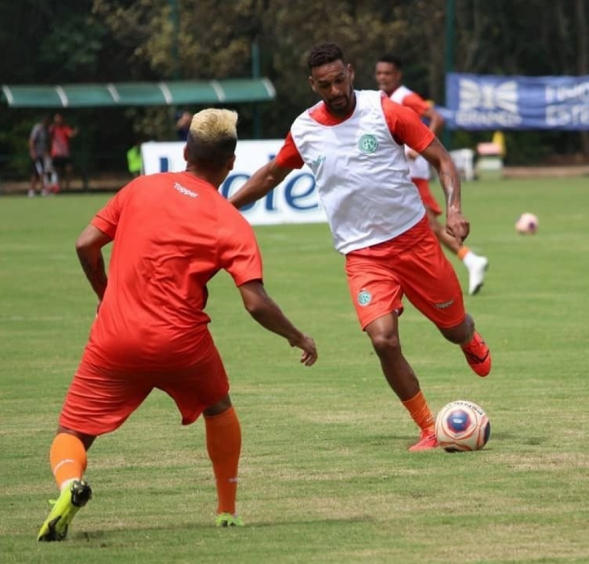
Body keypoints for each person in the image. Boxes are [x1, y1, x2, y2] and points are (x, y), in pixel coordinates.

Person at [37, 109, 318, 542]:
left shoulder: (140, 188)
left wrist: (104, 297)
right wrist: (297, 336)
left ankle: (69, 484)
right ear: (230, 163)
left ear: (184, 152)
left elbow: (86, 244)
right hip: (181, 344)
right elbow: (255, 302)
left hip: (115, 337)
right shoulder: (229, 221)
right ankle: (226, 511)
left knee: (73, 431)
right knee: (218, 407)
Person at [230, 43, 491, 452]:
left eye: (339, 80)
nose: (334, 90)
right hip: (364, 257)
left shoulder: (384, 110)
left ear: (350, 72)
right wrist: (224, 206)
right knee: (384, 340)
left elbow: (441, 158)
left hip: (415, 241)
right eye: (324, 84)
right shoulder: (304, 130)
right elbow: (269, 176)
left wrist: (454, 209)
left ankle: (468, 339)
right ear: (312, 85)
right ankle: (427, 428)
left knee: (454, 327)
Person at [375, 54, 490, 295]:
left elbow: (437, 117)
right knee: (417, 227)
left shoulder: (405, 96)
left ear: (398, 75)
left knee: (429, 225)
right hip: (399, 173)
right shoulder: (384, 100)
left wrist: (418, 147)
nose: (382, 77)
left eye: (387, 73)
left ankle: (470, 261)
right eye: (379, 73)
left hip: (412, 173)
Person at [49, 113, 78, 192]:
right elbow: (48, 134)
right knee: (57, 171)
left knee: (68, 169)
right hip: (56, 154)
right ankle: (58, 187)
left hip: (64, 154)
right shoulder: (53, 129)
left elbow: (71, 135)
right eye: (56, 119)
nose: (58, 120)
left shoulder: (65, 128)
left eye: (59, 118)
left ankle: (67, 187)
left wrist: (75, 131)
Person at [28, 115, 52, 197]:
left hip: (42, 155)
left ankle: (32, 190)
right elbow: (31, 140)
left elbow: (45, 144)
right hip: (36, 155)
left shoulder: (46, 130)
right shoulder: (37, 128)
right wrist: (32, 152)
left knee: (36, 173)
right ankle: (43, 190)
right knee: (40, 172)